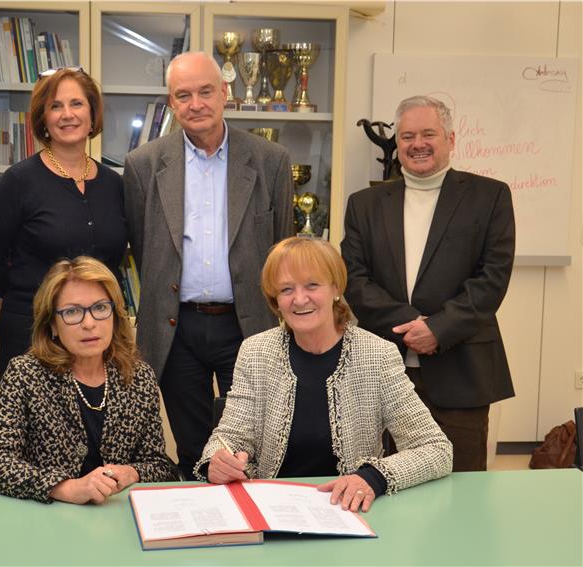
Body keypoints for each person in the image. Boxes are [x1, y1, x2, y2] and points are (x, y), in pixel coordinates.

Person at [123, 51, 294, 479]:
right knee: (193, 449)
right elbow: (144, 251)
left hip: (248, 326)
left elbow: (283, 250)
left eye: (205, 92)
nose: (196, 104)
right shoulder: (143, 165)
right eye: (183, 95)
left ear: (224, 93)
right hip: (175, 329)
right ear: (171, 101)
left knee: (250, 447)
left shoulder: (270, 160)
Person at [196, 237, 452, 512]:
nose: (299, 299)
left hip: (350, 510)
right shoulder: (255, 352)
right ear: (276, 300)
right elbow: (229, 437)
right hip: (271, 512)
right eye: (286, 289)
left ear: (335, 288)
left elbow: (436, 448)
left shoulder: (377, 355)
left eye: (312, 285)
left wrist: (373, 478)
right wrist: (216, 462)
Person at [341, 95, 515, 472]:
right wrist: (409, 325)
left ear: (450, 139)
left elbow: (492, 279)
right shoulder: (364, 204)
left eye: (428, 134)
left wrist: (438, 329)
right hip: (384, 370)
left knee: (462, 485)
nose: (417, 144)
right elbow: (353, 278)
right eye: (407, 136)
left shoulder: (490, 196)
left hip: (461, 369)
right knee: (382, 481)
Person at [0, 256, 177, 504]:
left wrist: (133, 472)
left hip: (115, 515)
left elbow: (159, 465)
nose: (89, 323)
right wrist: (65, 488)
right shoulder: (25, 373)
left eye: (100, 308)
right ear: (52, 324)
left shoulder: (139, 376)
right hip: (45, 515)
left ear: (115, 315)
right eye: (72, 312)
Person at [0, 67, 127, 378]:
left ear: (92, 113)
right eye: (55, 106)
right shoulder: (18, 182)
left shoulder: (114, 184)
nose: (67, 114)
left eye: (76, 103)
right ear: (43, 118)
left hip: (98, 333)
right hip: (33, 332)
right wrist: (35, 297)